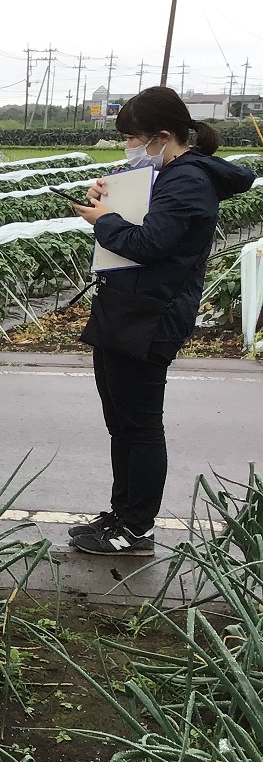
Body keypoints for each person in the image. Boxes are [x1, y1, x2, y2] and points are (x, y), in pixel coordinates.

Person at [67, 86, 256, 556]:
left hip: (153, 315)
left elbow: (149, 243)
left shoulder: (188, 180)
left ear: (163, 136)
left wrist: (103, 220)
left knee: (141, 424)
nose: (129, 148)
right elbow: (132, 219)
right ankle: (121, 513)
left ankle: (137, 529)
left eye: (134, 138)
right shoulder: (163, 173)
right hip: (124, 308)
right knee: (121, 422)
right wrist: (105, 196)